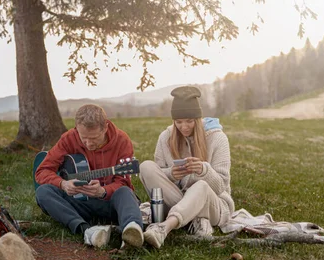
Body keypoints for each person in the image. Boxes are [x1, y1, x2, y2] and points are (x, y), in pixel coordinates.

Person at [35, 104, 144, 249]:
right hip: (79, 204)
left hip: (110, 204)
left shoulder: (121, 140)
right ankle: (87, 230)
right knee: (43, 192)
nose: (88, 143)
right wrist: (63, 184)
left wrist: (103, 191)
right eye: (83, 138)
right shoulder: (69, 138)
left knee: (125, 192)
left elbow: (123, 182)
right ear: (76, 128)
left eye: (94, 138)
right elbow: (42, 171)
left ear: (105, 127)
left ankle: (132, 230)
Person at [139, 86, 235, 249]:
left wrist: (204, 170)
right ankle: (194, 219)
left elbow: (222, 187)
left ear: (198, 119)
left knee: (201, 185)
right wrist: (171, 174)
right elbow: (158, 175)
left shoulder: (218, 138)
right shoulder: (166, 138)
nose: (184, 127)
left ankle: (163, 228)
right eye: (179, 122)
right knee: (146, 166)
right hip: (179, 199)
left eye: (189, 121)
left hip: (213, 204)